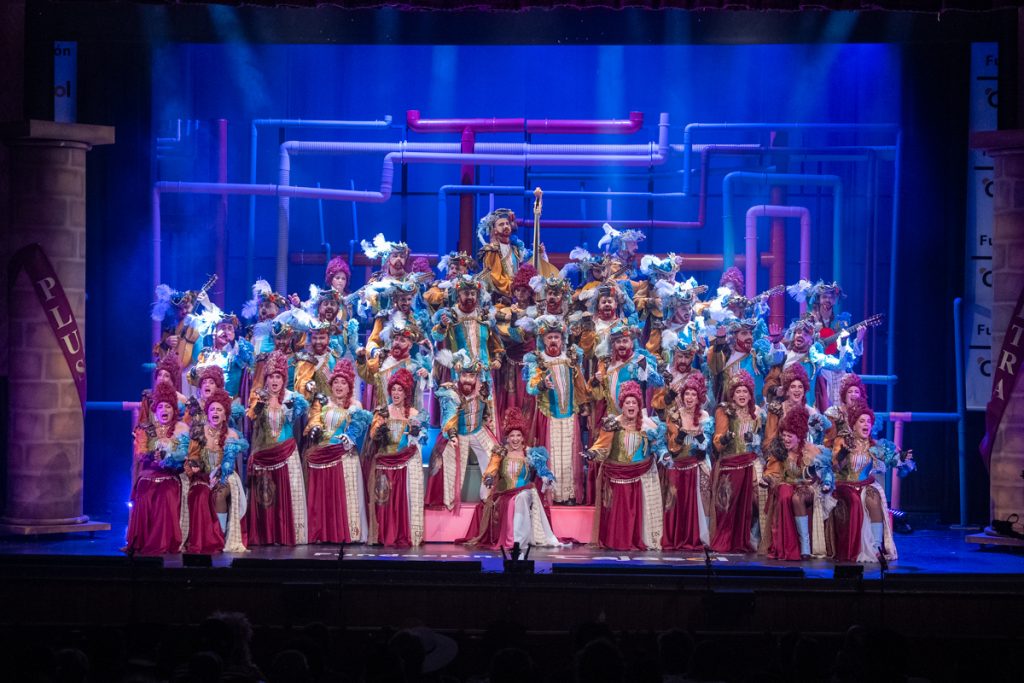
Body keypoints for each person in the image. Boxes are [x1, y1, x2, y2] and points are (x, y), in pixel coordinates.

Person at [458, 407, 561, 550]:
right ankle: (514, 539)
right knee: (511, 501)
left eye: (518, 435)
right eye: (512, 436)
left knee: (521, 498)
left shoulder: (530, 453)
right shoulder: (500, 452)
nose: (515, 439)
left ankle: (518, 541)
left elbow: (543, 470)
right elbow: (491, 468)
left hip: (525, 491)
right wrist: (489, 477)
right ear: (507, 437)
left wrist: (547, 478)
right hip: (506, 494)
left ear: (523, 437)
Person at [584, 381, 667, 551]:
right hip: (616, 474)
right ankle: (616, 540)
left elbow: (658, 446)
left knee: (638, 511)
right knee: (618, 511)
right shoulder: (613, 423)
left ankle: (638, 539)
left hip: (642, 473)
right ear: (622, 406)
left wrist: (664, 454)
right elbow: (602, 445)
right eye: (627, 402)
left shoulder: (648, 425)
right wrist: (592, 453)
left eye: (634, 402)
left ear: (639, 406)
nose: (631, 405)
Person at [831, 400, 915, 563]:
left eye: (868, 421)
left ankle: (877, 547)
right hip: (845, 485)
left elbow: (892, 459)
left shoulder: (874, 446)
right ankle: (853, 549)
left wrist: (902, 457)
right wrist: (841, 455)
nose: (866, 424)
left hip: (865, 484)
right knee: (855, 500)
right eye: (862, 421)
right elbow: (836, 467)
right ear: (853, 425)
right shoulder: (844, 442)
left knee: (873, 497)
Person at [303, 360, 373, 544]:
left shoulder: (355, 405)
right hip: (322, 455)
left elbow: (358, 429)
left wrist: (350, 438)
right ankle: (322, 533)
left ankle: (344, 533)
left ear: (349, 386)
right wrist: (314, 428)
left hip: (343, 456)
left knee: (343, 498)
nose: (339, 386)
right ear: (331, 384)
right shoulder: (322, 402)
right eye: (336, 382)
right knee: (323, 497)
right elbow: (314, 420)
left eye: (343, 383)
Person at [244, 350, 310, 546]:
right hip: (264, 455)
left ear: (284, 379)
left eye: (278, 377)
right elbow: (251, 417)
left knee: (286, 496)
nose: (274, 381)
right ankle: (266, 535)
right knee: (266, 496)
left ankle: (286, 534)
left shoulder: (292, 397)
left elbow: (300, 416)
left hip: (286, 453)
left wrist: (292, 408)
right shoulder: (258, 396)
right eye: (271, 376)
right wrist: (259, 405)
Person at [524, 316, 591, 505]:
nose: (553, 341)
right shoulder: (537, 360)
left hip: (570, 415)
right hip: (550, 416)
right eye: (549, 337)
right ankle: (552, 495)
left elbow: (580, 383)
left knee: (569, 456)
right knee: (553, 455)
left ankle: (569, 494)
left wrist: (584, 404)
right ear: (543, 340)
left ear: (562, 339)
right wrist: (542, 385)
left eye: (556, 337)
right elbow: (530, 387)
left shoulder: (570, 358)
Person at [426, 352, 500, 511]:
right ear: (458, 375)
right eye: (464, 375)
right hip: (457, 433)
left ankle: (487, 497)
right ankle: (448, 503)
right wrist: (452, 435)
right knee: (449, 462)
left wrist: (486, 418)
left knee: (494, 455)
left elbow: (486, 410)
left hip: (478, 430)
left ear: (476, 377)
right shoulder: (451, 392)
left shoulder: (483, 389)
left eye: (471, 376)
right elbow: (449, 417)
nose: (467, 380)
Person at [761, 405, 835, 560]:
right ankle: (786, 546)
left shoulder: (811, 450)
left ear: (800, 436)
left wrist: (817, 477)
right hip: (787, 485)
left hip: (809, 488)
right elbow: (772, 471)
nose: (786, 439)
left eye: (790, 436)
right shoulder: (780, 450)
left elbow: (823, 472)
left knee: (797, 496)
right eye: (784, 435)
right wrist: (768, 478)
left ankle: (804, 545)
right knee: (784, 491)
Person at [125, 382, 190, 555]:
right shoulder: (147, 429)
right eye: (160, 406)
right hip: (149, 473)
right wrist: (148, 452)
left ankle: (162, 541)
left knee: (165, 493)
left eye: (168, 406)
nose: (164, 410)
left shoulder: (181, 428)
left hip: (171, 474)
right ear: (155, 411)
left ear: (174, 410)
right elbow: (141, 453)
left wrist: (168, 458)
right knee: (144, 489)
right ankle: (142, 540)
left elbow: (183, 454)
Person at [365, 368, 427, 547]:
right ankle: (384, 535)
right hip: (385, 463)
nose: (396, 393)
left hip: (405, 463)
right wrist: (379, 431)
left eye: (400, 390)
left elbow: (423, 437)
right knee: (384, 501)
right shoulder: (383, 412)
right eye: (393, 389)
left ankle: (402, 534)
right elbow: (372, 435)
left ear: (406, 392)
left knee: (402, 502)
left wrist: (417, 433)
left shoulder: (414, 413)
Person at [183, 388, 248, 553]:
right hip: (202, 475)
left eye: (219, 410)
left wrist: (219, 475)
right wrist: (195, 466)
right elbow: (193, 456)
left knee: (219, 493)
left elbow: (229, 464)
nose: (215, 412)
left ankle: (220, 535)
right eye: (212, 409)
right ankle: (201, 537)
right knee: (199, 492)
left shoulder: (232, 435)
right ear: (207, 413)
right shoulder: (199, 432)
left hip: (226, 475)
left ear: (225, 415)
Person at [708, 371, 766, 554]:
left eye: (745, 391)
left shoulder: (756, 413)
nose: (742, 395)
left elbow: (761, 441)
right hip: (730, 465)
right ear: (732, 395)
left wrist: (755, 439)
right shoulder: (724, 410)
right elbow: (717, 442)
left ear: (750, 394)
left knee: (750, 505)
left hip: (750, 464)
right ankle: (725, 540)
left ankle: (746, 539)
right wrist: (725, 438)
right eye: (738, 391)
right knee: (728, 505)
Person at [661, 374, 714, 551]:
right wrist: (680, 437)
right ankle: (675, 536)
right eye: (687, 394)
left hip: (697, 464)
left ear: (699, 397)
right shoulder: (674, 415)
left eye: (693, 394)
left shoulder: (704, 416)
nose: (689, 397)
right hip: (678, 464)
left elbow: (706, 444)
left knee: (702, 498)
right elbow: (671, 445)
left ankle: (701, 537)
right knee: (675, 501)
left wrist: (700, 439)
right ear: (682, 396)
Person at [477, 208, 527, 301]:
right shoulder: (492, 250)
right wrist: (514, 287)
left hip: (517, 294)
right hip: (500, 297)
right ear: (495, 230)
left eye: (507, 223)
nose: (506, 226)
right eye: (501, 224)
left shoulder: (515, 248)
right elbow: (495, 277)